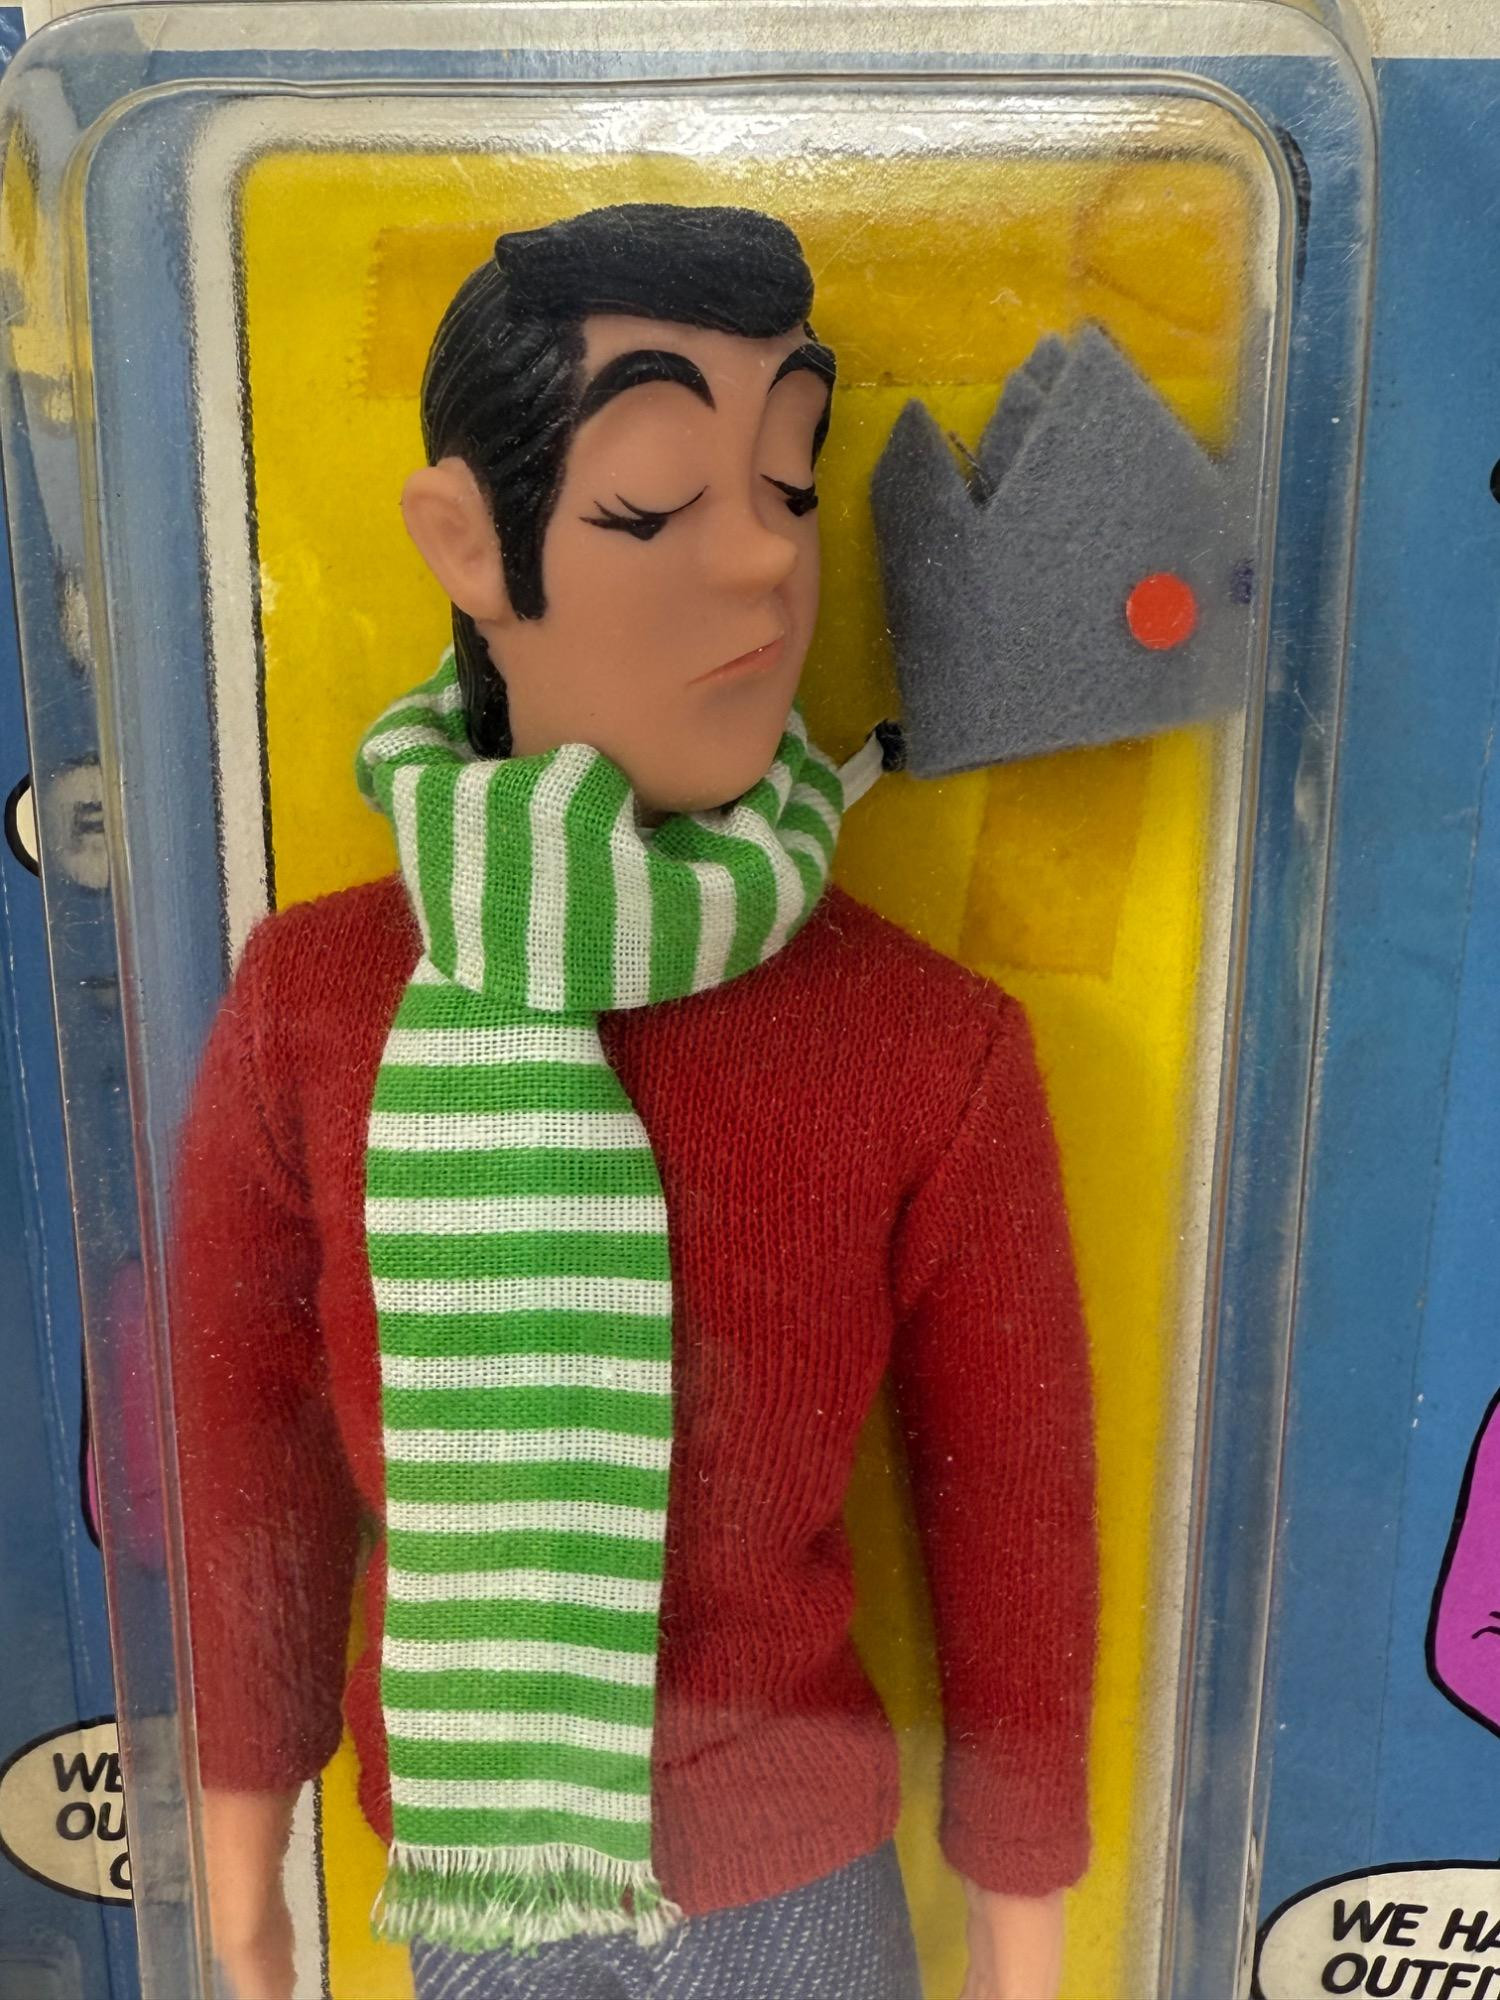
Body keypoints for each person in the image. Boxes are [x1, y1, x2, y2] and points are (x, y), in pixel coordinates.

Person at [169, 203, 1097, 2000]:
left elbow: (1015, 1512)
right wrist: (236, 1849)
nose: (761, 562)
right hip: (467, 1862)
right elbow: (247, 1458)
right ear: (468, 540)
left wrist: (1022, 1910)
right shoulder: (316, 1007)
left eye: (790, 485)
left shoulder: (925, 1045)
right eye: (655, 502)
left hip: (792, 1874)